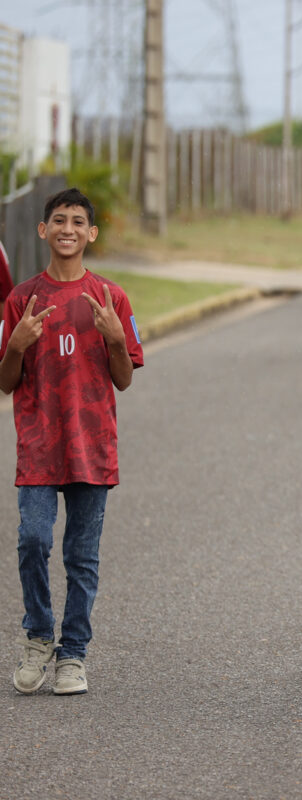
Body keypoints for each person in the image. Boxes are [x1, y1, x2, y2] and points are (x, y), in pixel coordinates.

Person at [3, 188, 144, 696]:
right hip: (39, 446)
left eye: (77, 221)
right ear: (43, 231)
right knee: (32, 541)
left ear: (91, 233)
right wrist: (15, 346)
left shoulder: (112, 298)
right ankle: (39, 636)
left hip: (93, 445)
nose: (67, 228)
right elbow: (4, 381)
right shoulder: (21, 298)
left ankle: (73, 654)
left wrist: (114, 339)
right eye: (58, 220)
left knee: (82, 557)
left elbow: (124, 379)